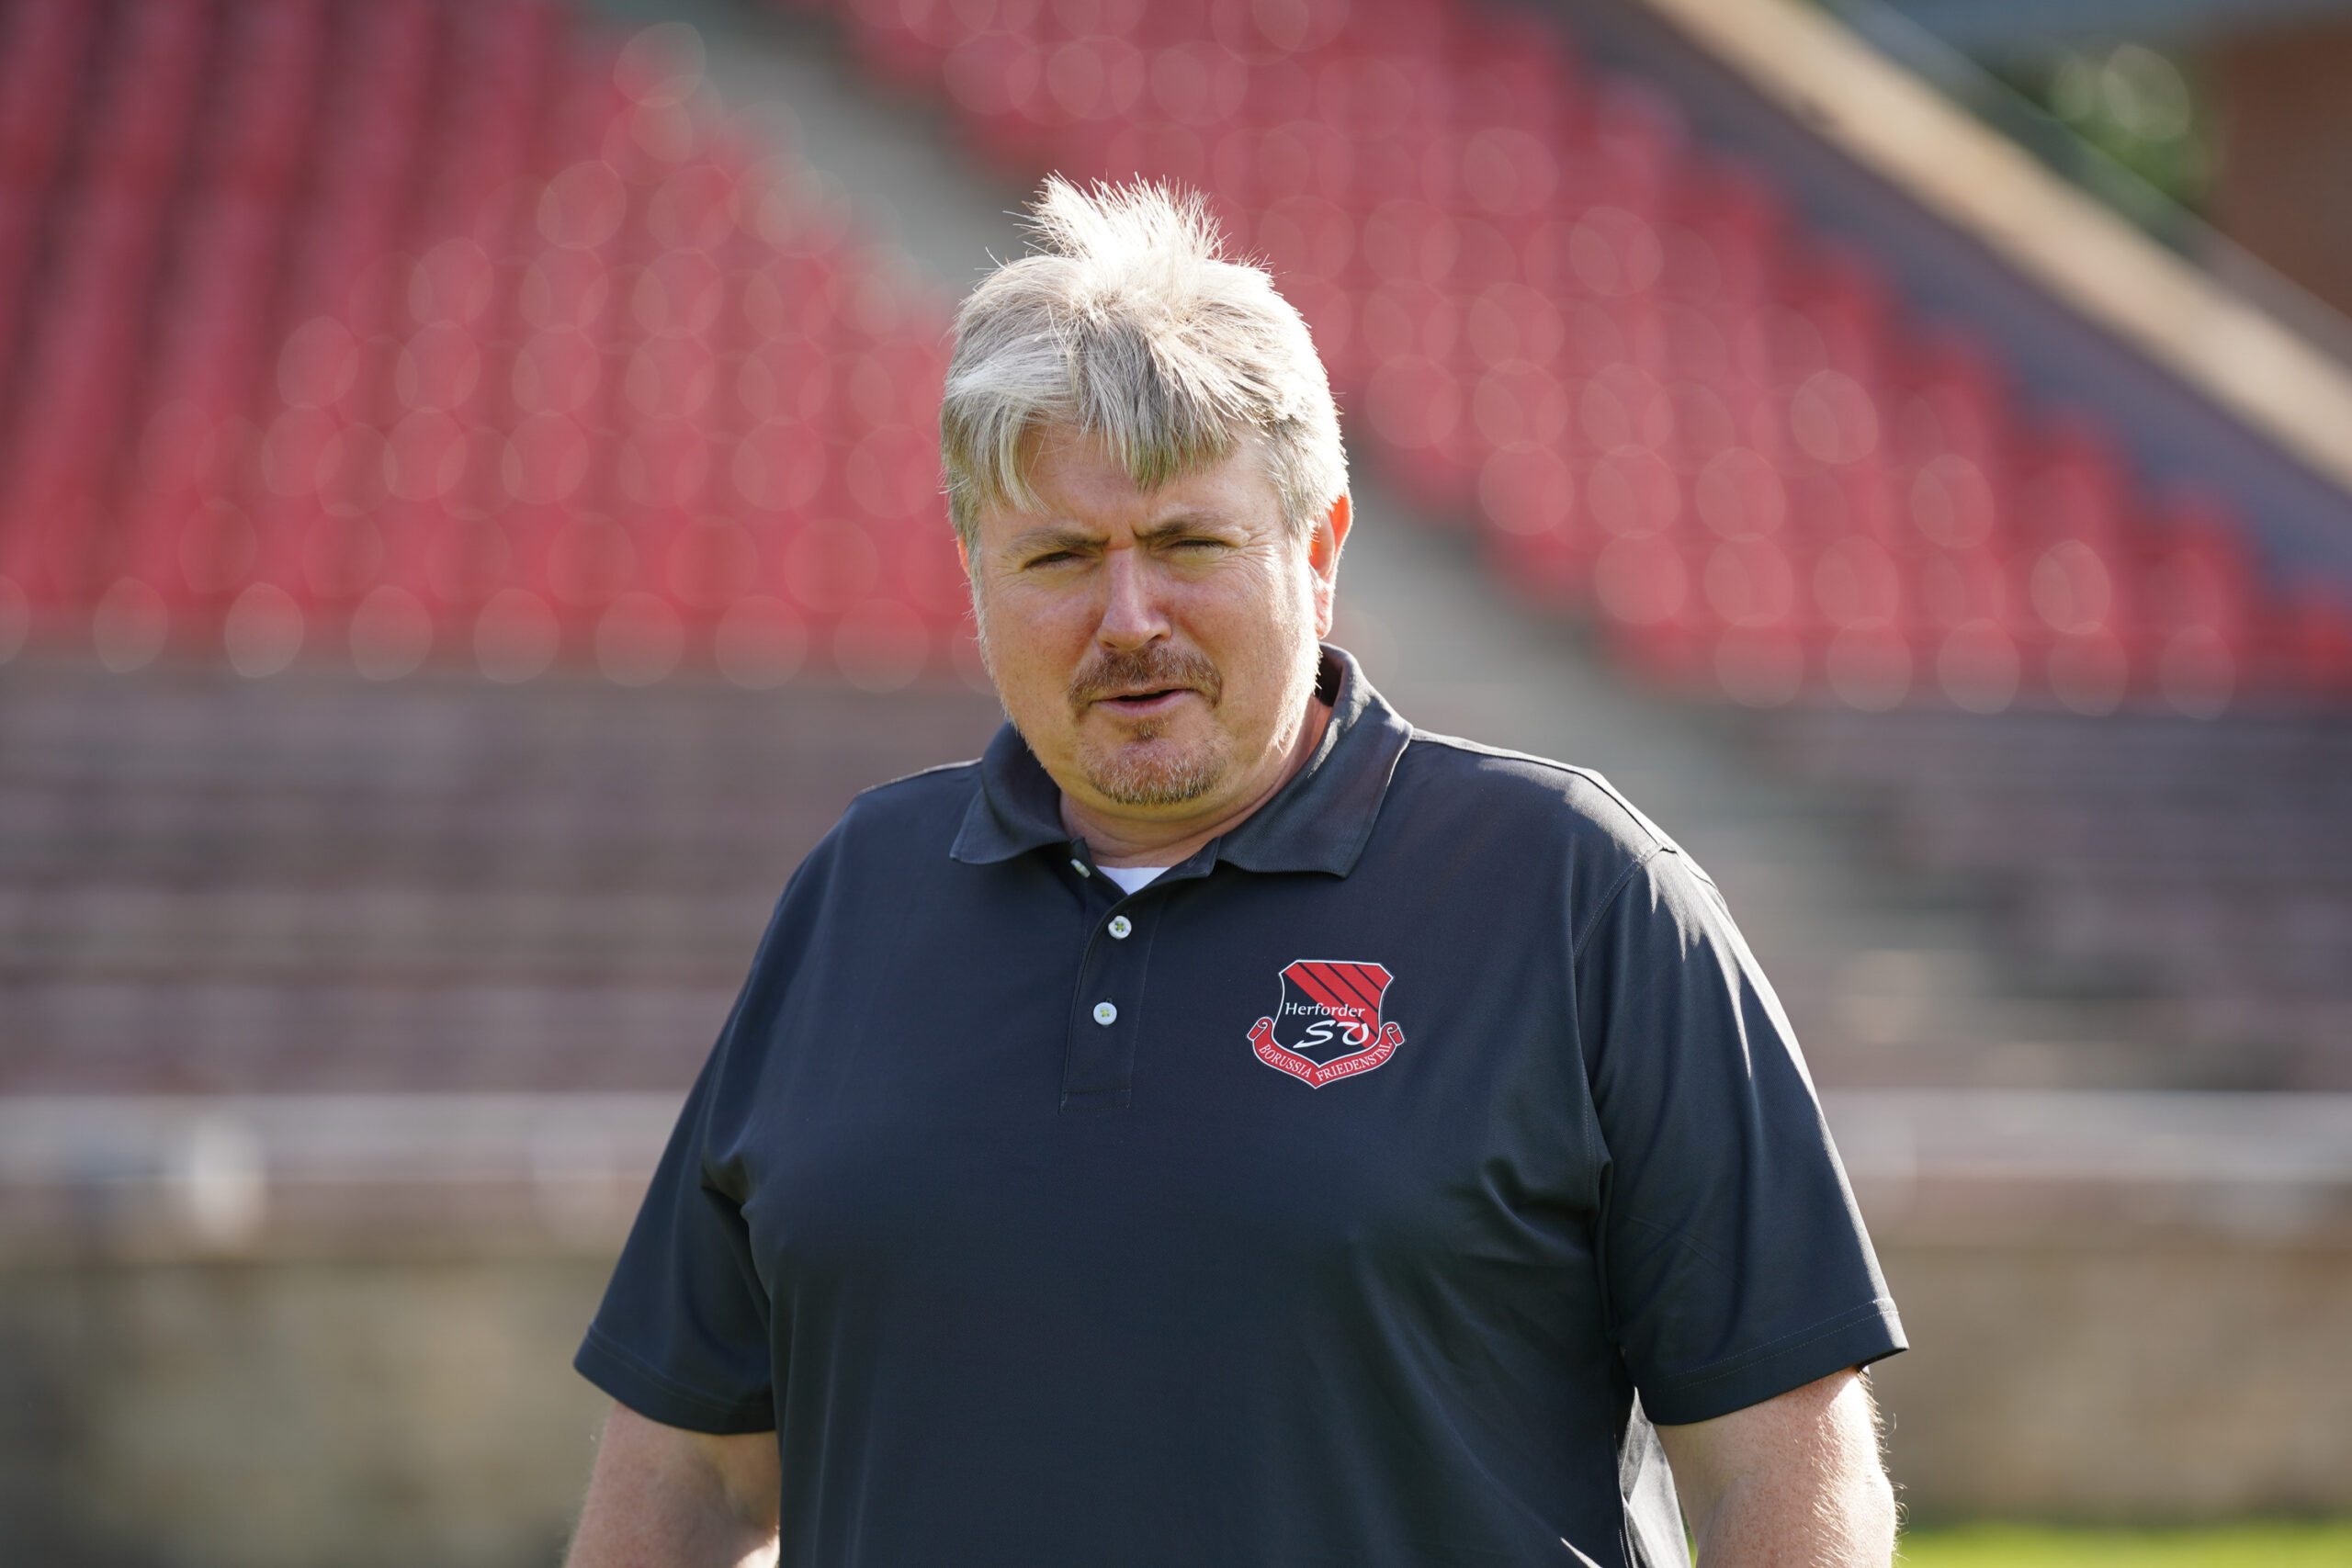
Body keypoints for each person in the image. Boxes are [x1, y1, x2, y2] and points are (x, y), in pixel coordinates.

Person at [563, 178, 1904, 1568]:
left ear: (1316, 550)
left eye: (1188, 542)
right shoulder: (857, 893)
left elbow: (1780, 1463)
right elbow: (691, 1476)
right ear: (975, 571)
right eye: (1058, 555)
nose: (1127, 617)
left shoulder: (1577, 894)